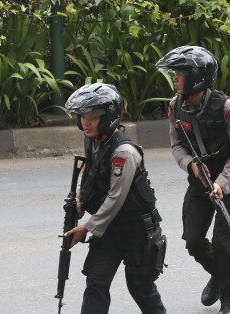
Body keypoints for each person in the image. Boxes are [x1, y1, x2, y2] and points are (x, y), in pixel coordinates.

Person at [155, 46, 230, 314]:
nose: (175, 79)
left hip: (229, 182)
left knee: (222, 242)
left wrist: (222, 182)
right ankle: (220, 277)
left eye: (180, 74)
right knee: (194, 242)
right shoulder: (175, 106)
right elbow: (177, 147)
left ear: (197, 77)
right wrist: (191, 165)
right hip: (199, 180)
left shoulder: (228, 108)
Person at [63, 83, 167, 314]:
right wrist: (81, 200)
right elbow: (90, 174)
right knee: (96, 283)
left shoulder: (124, 152)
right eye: (82, 116)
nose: (85, 122)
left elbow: (116, 197)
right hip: (108, 229)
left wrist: (86, 227)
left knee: (140, 288)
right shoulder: (92, 140)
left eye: (92, 116)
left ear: (108, 116)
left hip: (136, 230)